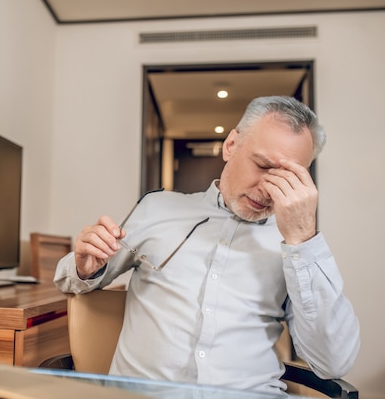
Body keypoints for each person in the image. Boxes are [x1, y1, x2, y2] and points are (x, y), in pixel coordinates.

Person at [54, 96, 360, 395]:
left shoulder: (298, 246)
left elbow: (332, 363)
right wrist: (84, 267)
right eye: (263, 165)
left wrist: (303, 240)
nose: (268, 190)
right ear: (231, 146)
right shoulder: (156, 208)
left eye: (288, 177)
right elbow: (70, 279)